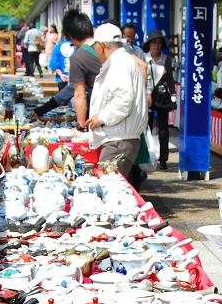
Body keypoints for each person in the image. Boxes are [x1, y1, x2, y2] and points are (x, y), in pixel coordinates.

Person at [85, 23, 148, 178]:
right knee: (114, 189)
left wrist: (100, 118)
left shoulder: (120, 62)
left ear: (101, 46)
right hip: (120, 138)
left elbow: (123, 101)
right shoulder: (122, 60)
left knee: (109, 189)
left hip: (118, 140)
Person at [143, 30, 176, 170]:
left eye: (159, 43)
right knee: (146, 127)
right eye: (154, 42)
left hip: (162, 98)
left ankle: (163, 159)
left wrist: (173, 97)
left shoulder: (166, 60)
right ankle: (146, 157)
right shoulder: (143, 59)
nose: (156, 46)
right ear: (149, 44)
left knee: (163, 130)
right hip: (147, 97)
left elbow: (170, 80)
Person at [64, 10, 101, 129]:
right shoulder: (107, 46)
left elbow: (80, 95)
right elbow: (142, 65)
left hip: (103, 117)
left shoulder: (78, 56)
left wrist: (80, 127)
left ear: (71, 37)